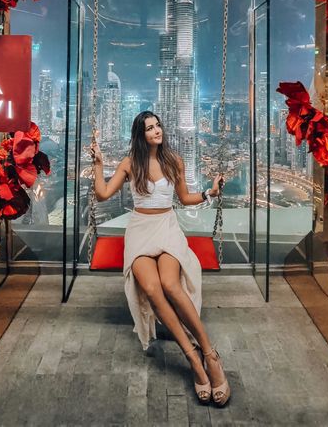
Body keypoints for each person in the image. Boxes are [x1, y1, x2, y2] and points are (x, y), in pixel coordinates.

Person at [91, 110, 231, 406]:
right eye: (149, 128)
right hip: (141, 230)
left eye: (158, 126)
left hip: (167, 226)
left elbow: (184, 198)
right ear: (141, 135)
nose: (156, 131)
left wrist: (210, 193)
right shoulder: (130, 164)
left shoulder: (173, 161)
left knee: (170, 284)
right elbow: (102, 194)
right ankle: (192, 359)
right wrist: (100, 163)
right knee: (153, 289)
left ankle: (209, 353)